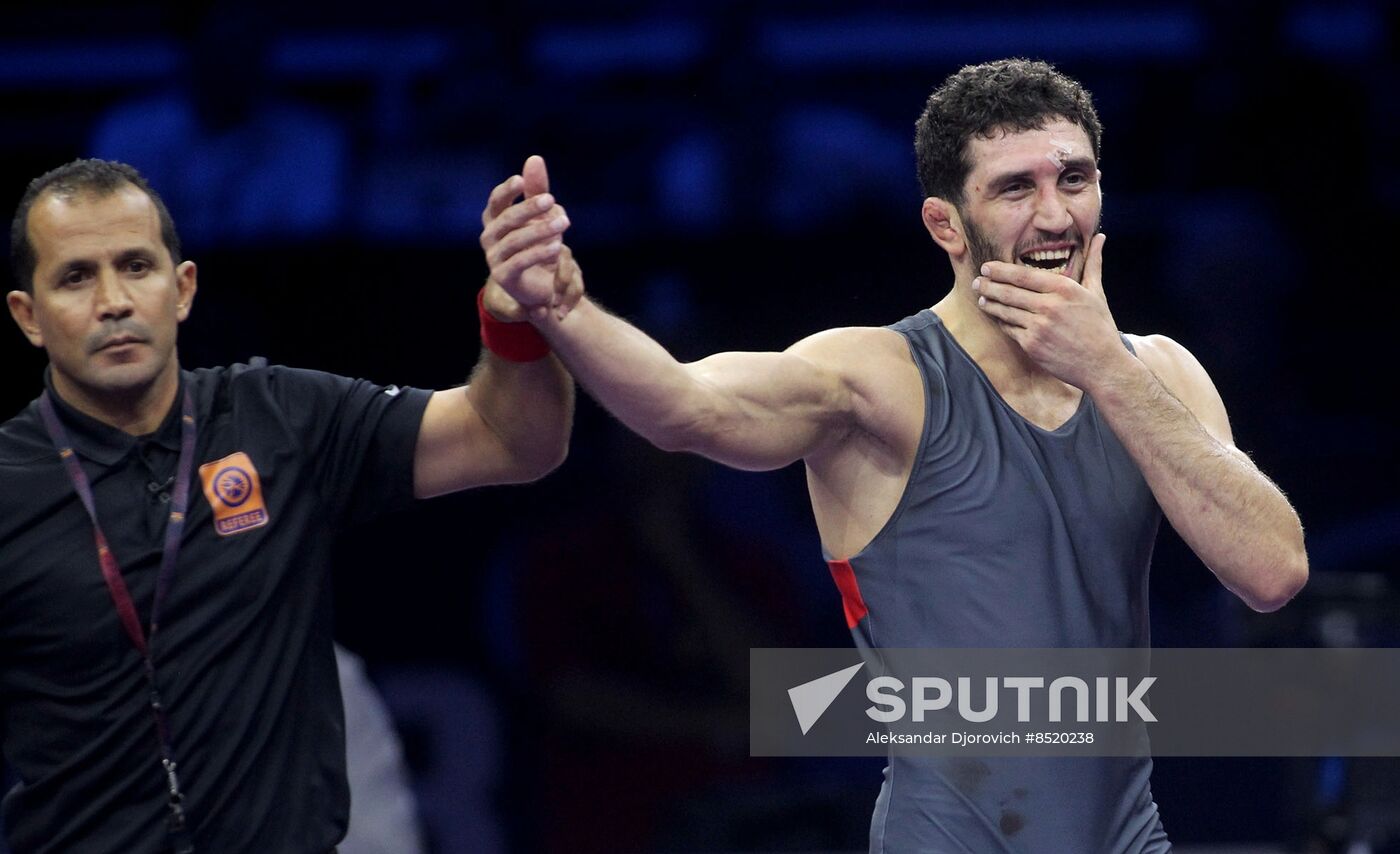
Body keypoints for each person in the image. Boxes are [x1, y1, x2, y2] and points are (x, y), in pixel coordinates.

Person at [481, 59, 1309, 852]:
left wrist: (1104, 369)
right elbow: (682, 408)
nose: (1055, 216)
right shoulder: (878, 377)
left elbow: (1273, 573)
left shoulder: (1156, 371)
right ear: (947, 224)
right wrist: (567, 311)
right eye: (1015, 188)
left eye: (1075, 180)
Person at [0, 156, 572, 852]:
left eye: (137, 266)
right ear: (27, 315)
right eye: (75, 277)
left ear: (182, 290)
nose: (113, 300)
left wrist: (516, 319)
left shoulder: (280, 417)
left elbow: (514, 440)